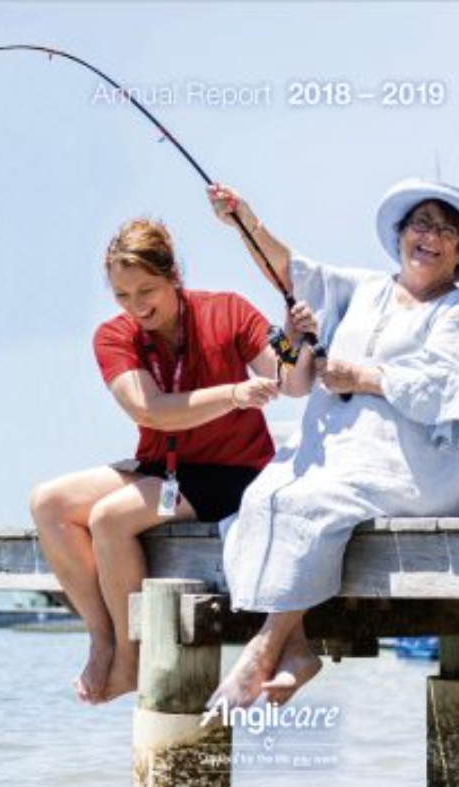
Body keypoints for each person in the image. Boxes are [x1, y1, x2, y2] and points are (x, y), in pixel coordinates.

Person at [206, 178, 459, 708]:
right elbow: (291, 271)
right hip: (336, 456)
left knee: (307, 502)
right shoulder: (363, 288)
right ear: (401, 234)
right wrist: (245, 221)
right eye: (420, 223)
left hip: (415, 470)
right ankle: (296, 650)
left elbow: (445, 386)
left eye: (445, 230)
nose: (429, 236)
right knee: (260, 497)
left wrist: (362, 377)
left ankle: (264, 646)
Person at [29, 217, 311, 704]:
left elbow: (290, 381)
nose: (137, 307)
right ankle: (103, 637)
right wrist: (235, 393)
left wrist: (294, 341)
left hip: (234, 472)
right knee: (48, 502)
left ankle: (130, 661)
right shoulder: (112, 335)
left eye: (147, 290)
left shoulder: (228, 309)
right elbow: (150, 411)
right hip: (163, 466)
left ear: (173, 276)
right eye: (122, 295)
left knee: (108, 518)